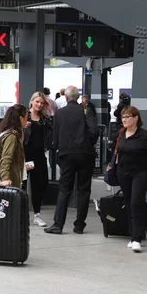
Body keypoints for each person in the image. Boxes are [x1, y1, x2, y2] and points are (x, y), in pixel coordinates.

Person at [45, 86, 98, 235]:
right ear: (78, 97)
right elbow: (94, 131)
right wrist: (88, 142)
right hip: (85, 154)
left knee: (64, 189)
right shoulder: (86, 111)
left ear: (67, 98)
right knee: (84, 189)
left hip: (66, 154)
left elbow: (54, 137)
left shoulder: (60, 114)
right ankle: (79, 225)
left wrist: (57, 147)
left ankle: (58, 225)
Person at [115, 106, 147, 253]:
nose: (125, 120)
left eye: (128, 117)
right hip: (123, 173)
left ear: (136, 118)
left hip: (141, 173)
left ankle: (136, 239)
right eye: (123, 117)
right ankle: (133, 234)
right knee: (128, 203)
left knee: (136, 203)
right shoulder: (121, 133)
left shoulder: (144, 135)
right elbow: (118, 152)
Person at [23, 92, 53, 227]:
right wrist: (23, 127)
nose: (39, 105)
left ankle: (37, 214)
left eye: (42, 103)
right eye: (37, 102)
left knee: (41, 184)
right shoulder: (24, 116)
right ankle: (22, 213)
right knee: (23, 184)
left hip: (39, 156)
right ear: (32, 101)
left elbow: (51, 132)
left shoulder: (44, 118)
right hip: (26, 156)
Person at [0, 104, 30, 189]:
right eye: (26, 117)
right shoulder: (11, 136)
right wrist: (5, 178)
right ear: (20, 118)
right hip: (9, 181)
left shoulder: (8, 132)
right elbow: (6, 158)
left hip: (11, 178)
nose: (27, 120)